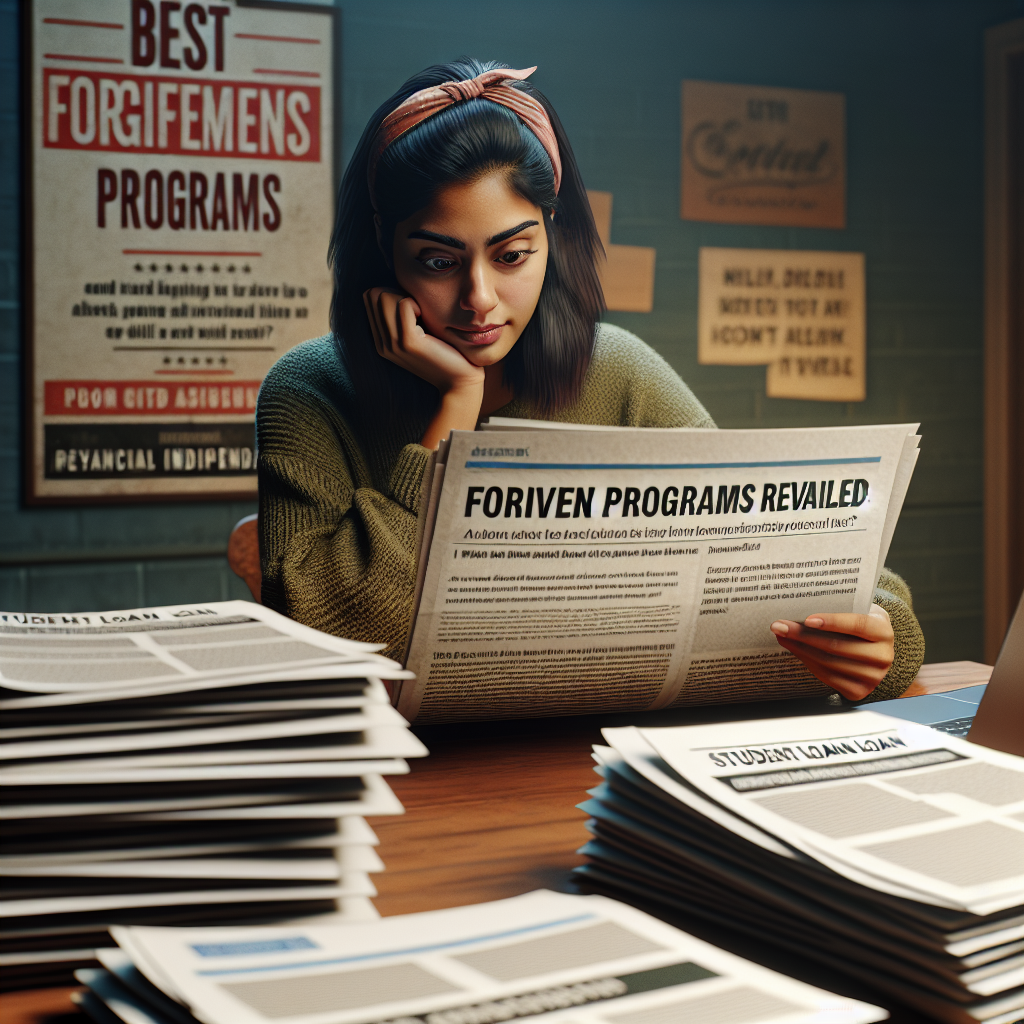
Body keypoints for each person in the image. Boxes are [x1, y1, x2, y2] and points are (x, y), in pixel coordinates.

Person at [257, 58, 924, 704]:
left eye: (513, 254)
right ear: (383, 247)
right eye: (437, 260)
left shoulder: (620, 370)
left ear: (554, 235)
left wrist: (887, 633)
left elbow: (787, 550)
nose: (479, 299)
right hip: (420, 783)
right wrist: (454, 413)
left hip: (608, 761)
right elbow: (330, 635)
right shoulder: (309, 389)